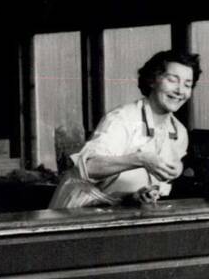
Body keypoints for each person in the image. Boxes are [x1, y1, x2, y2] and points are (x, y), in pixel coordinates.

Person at [50, 50, 200, 209]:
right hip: (76, 210)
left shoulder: (179, 132)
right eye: (172, 80)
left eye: (187, 84)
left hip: (118, 212)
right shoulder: (123, 119)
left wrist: (143, 194)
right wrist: (141, 159)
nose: (180, 91)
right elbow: (89, 167)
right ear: (152, 80)